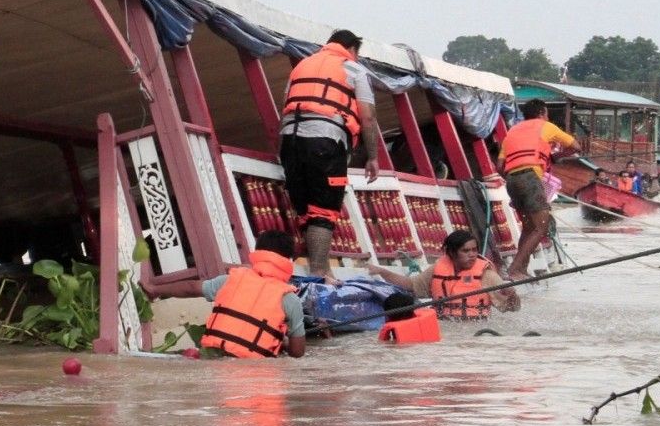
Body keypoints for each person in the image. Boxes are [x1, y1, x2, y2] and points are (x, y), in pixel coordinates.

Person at [279, 29, 379, 280]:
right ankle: (319, 273)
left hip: (290, 141)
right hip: (325, 142)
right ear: (353, 49)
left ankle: (320, 268)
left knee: (305, 208)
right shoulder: (354, 69)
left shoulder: (302, 65)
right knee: (324, 209)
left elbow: (287, 104)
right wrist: (373, 156)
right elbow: (367, 117)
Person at [142, 230, 306, 358]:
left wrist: (155, 290)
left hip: (215, 356)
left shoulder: (230, 279)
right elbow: (298, 352)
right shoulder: (290, 299)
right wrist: (282, 343)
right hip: (256, 370)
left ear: (257, 253)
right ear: (289, 260)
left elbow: (191, 287)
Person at [496, 99, 580, 281]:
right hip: (530, 178)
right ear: (542, 112)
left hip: (511, 180)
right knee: (541, 227)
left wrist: (515, 179)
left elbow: (500, 166)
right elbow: (575, 147)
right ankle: (514, 270)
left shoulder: (512, 131)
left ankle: (520, 270)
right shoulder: (546, 126)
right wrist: (556, 156)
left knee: (528, 227)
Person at [367, 230, 520, 320]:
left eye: (474, 250)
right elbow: (412, 285)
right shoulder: (438, 269)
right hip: (443, 324)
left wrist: (512, 295)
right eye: (466, 251)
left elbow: (512, 309)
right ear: (452, 253)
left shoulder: (487, 276)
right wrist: (383, 272)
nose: (473, 255)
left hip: (476, 325)